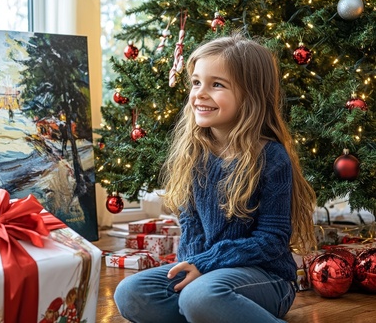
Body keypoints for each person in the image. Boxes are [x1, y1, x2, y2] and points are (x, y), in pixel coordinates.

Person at [113, 33, 317, 323]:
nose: (200, 94)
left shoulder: (271, 157)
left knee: (201, 296)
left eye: (216, 84)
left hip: (265, 278)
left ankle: (210, 308)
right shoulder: (193, 152)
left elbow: (271, 241)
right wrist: (196, 265)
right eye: (196, 82)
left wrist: (206, 265)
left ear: (250, 95)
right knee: (132, 291)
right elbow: (191, 226)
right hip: (208, 272)